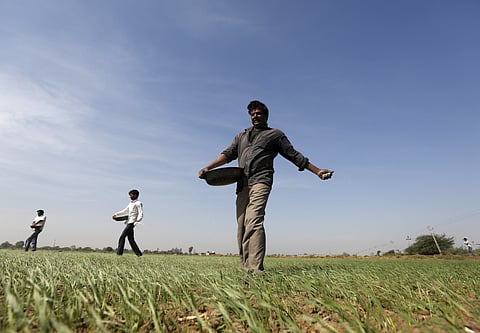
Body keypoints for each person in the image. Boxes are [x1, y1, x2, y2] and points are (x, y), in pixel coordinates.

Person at [199, 100, 333, 274]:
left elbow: (294, 156)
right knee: (242, 226)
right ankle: (247, 268)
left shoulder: (275, 135)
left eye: (259, 113)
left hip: (261, 181)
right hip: (242, 184)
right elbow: (227, 155)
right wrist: (209, 167)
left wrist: (317, 171)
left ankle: (256, 269)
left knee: (253, 220)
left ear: (266, 115)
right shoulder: (241, 136)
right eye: (252, 114)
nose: (255, 116)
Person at [112, 189, 143, 256]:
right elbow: (125, 211)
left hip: (132, 223)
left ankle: (119, 254)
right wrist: (116, 214)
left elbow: (140, 213)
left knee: (122, 237)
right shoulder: (131, 204)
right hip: (128, 222)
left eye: (131, 195)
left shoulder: (138, 203)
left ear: (135, 195)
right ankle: (139, 255)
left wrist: (137, 221)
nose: (130, 196)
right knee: (131, 240)